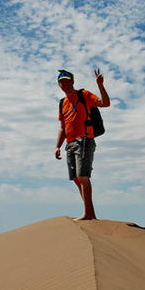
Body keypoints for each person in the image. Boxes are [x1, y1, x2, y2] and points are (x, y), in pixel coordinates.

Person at [54, 68, 110, 220]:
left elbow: (104, 103)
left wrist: (100, 85)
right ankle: (89, 213)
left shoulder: (83, 94)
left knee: (83, 176)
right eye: (61, 82)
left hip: (84, 139)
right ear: (59, 85)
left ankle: (88, 214)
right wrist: (58, 146)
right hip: (70, 143)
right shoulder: (62, 103)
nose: (64, 84)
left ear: (72, 81)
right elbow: (63, 127)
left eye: (67, 81)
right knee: (76, 178)